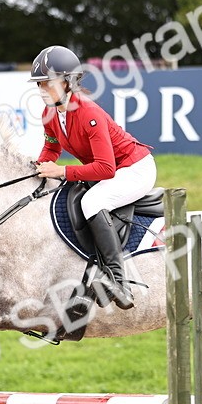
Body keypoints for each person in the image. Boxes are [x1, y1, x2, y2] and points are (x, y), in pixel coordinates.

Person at [29, 45, 156, 310]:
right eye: (39, 83)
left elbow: (106, 169)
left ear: (68, 82)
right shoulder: (49, 114)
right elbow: (52, 148)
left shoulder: (89, 113)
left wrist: (62, 171)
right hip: (111, 170)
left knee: (93, 202)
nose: (42, 89)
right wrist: (41, 165)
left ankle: (119, 280)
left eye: (47, 83)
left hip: (135, 168)